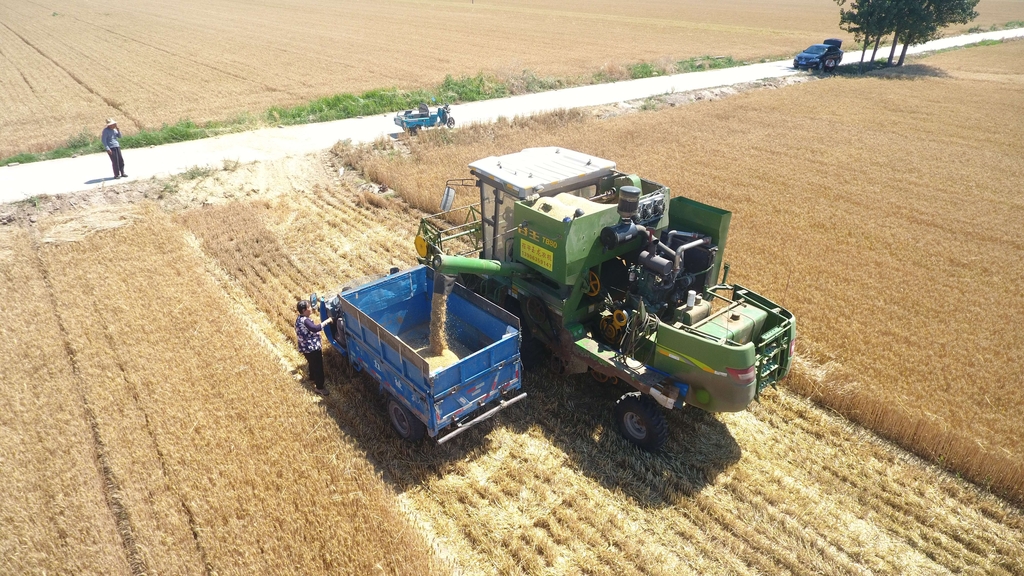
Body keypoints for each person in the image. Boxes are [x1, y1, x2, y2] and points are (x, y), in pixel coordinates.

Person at [295, 300, 333, 396]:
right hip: (312, 348)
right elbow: (315, 328)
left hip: (305, 348)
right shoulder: (305, 321)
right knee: (318, 367)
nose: (311, 308)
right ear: (304, 310)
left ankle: (312, 378)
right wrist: (327, 321)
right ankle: (319, 388)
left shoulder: (299, 319)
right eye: (309, 307)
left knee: (312, 363)